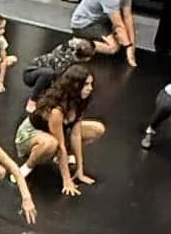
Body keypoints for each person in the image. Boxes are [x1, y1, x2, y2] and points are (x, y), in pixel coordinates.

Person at [17, 63, 105, 196]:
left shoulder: (79, 101)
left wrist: (80, 171)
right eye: (86, 85)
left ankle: (58, 159)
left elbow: (76, 134)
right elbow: (61, 146)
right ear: (75, 86)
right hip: (30, 134)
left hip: (53, 134)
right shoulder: (57, 110)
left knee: (97, 129)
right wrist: (67, 180)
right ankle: (27, 166)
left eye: (91, 84)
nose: (90, 88)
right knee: (52, 144)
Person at [69, 0, 139, 62]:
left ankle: (89, 41)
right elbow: (118, 25)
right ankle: (78, 43)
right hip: (84, 24)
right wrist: (128, 47)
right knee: (113, 48)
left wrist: (132, 49)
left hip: (100, 21)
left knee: (122, 38)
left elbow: (128, 18)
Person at [20, 30, 98, 94]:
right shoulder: (65, 63)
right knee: (49, 73)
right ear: (86, 59)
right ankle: (33, 99)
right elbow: (57, 82)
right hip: (30, 74)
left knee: (51, 75)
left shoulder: (64, 48)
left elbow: (73, 42)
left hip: (37, 72)